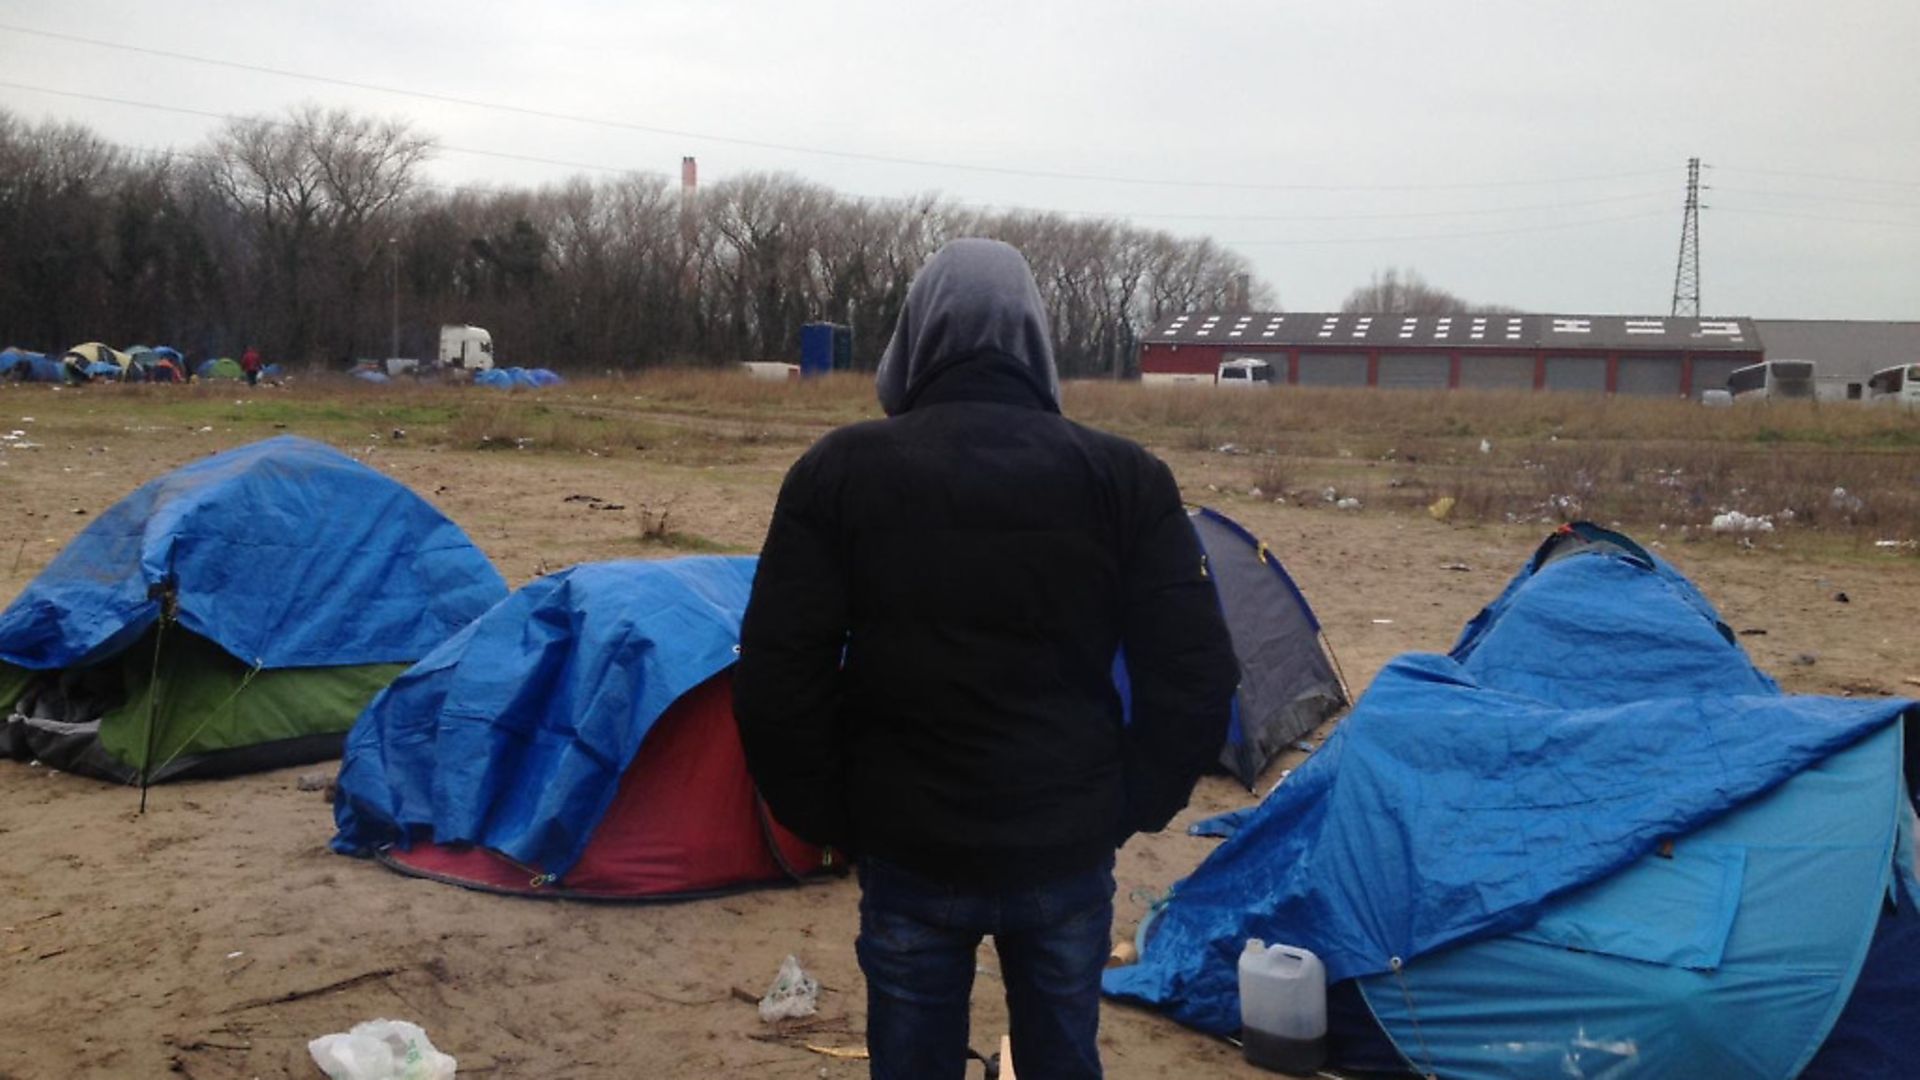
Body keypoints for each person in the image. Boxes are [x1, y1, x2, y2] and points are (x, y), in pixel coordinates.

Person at [734, 238, 1239, 1080]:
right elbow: (1196, 677)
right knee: (1061, 1060)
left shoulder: (839, 472)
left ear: (915, 334)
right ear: (1036, 338)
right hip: (1065, 847)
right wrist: (1125, 805)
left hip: (909, 846)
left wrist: (837, 819)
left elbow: (777, 678)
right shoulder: (1125, 477)